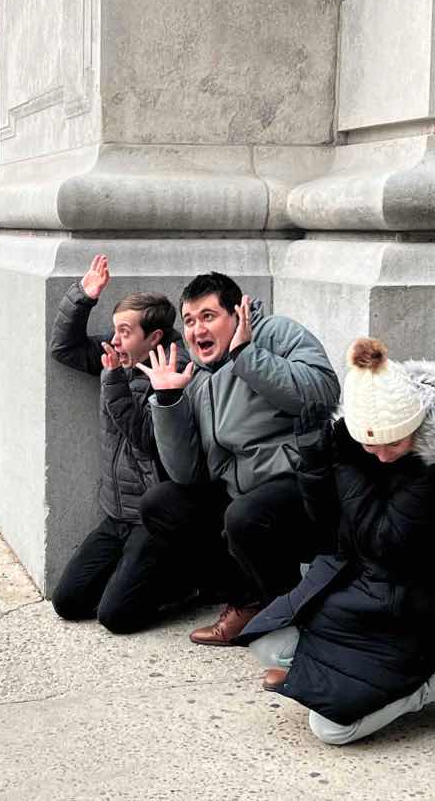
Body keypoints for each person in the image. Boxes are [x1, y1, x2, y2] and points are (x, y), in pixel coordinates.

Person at [237, 338, 435, 745]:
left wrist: (347, 465)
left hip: (408, 612)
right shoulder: (353, 446)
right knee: (266, 640)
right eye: (373, 443)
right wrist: (316, 466)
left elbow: (383, 544)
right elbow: (328, 532)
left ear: (415, 423)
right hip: (357, 593)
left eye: (395, 442)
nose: (384, 455)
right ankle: (335, 680)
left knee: (333, 729)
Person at [138, 272, 340, 646]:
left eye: (209, 316)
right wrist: (167, 402)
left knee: (244, 515)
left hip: (297, 484)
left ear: (239, 312)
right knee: (161, 503)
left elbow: (322, 393)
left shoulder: (275, 333)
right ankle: (248, 602)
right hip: (239, 493)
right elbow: (188, 474)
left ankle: (298, 615)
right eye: (190, 320)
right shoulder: (196, 374)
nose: (198, 329)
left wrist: (247, 356)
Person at [47, 254, 191, 633]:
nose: (114, 340)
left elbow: (145, 437)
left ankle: (188, 580)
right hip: (115, 514)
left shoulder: (174, 376)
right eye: (115, 330)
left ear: (154, 338)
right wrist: (84, 295)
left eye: (125, 332)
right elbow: (64, 349)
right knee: (68, 602)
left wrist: (113, 379)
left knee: (117, 618)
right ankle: (130, 574)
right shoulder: (120, 356)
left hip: (151, 521)